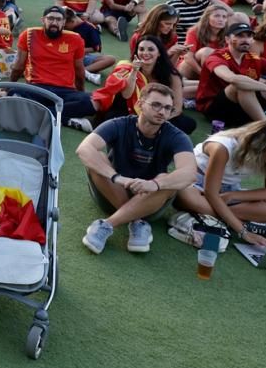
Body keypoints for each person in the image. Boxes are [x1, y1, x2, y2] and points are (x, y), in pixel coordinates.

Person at [76, 83, 199, 254]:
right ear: (140, 104)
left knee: (167, 178)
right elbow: (84, 149)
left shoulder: (177, 136)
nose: (162, 112)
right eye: (156, 105)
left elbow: (190, 173)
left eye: (167, 108)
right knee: (99, 158)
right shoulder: (119, 124)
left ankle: (108, 224)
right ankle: (137, 221)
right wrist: (118, 178)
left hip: (150, 202)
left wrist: (155, 184)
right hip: (111, 193)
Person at [171, 120, 266, 249]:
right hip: (198, 184)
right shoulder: (222, 147)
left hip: (229, 190)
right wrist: (243, 232)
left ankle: (212, 218)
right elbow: (211, 193)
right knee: (184, 195)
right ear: (258, 145)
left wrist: (232, 195)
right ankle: (245, 222)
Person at [196, 22, 266, 127]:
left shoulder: (253, 58)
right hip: (217, 111)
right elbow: (233, 79)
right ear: (227, 39)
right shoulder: (217, 57)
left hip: (244, 110)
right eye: (239, 36)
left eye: (249, 36)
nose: (245, 40)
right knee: (241, 85)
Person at [9, 5, 95, 129]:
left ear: (64, 22)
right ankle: (65, 119)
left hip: (65, 92)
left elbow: (79, 71)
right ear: (43, 20)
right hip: (37, 88)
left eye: (59, 19)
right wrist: (10, 86)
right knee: (14, 94)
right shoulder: (29, 34)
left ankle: (39, 115)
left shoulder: (75, 39)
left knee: (91, 101)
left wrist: (80, 94)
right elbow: (18, 66)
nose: (54, 22)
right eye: (50, 19)